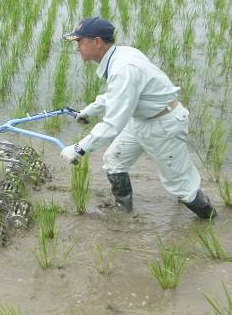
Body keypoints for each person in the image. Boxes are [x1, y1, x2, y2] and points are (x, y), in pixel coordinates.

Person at [59, 16, 216, 219]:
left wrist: (79, 149)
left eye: (80, 41)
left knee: (182, 187)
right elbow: (121, 94)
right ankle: (123, 214)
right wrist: (91, 109)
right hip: (142, 121)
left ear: (97, 42)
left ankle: (212, 223)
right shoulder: (120, 55)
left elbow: (113, 124)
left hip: (163, 125)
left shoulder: (124, 68)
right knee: (114, 161)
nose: (77, 47)